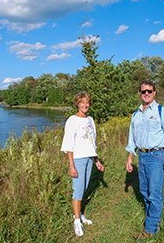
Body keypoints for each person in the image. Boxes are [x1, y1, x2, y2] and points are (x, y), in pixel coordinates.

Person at [126, 80, 164, 240]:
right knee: (144, 191)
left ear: (154, 93)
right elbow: (132, 140)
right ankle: (153, 219)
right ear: (140, 93)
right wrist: (129, 159)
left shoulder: (163, 111)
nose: (146, 93)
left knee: (154, 193)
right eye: (143, 91)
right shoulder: (136, 114)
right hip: (142, 156)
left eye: (149, 91)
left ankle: (151, 229)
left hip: (157, 156)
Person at [61, 92, 104, 237]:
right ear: (77, 104)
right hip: (78, 159)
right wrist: (71, 165)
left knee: (84, 187)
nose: (85, 105)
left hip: (89, 159)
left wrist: (96, 160)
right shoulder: (72, 120)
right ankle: (77, 222)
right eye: (82, 102)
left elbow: (92, 142)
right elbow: (68, 144)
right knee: (78, 190)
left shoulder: (90, 120)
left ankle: (78, 214)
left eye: (87, 102)